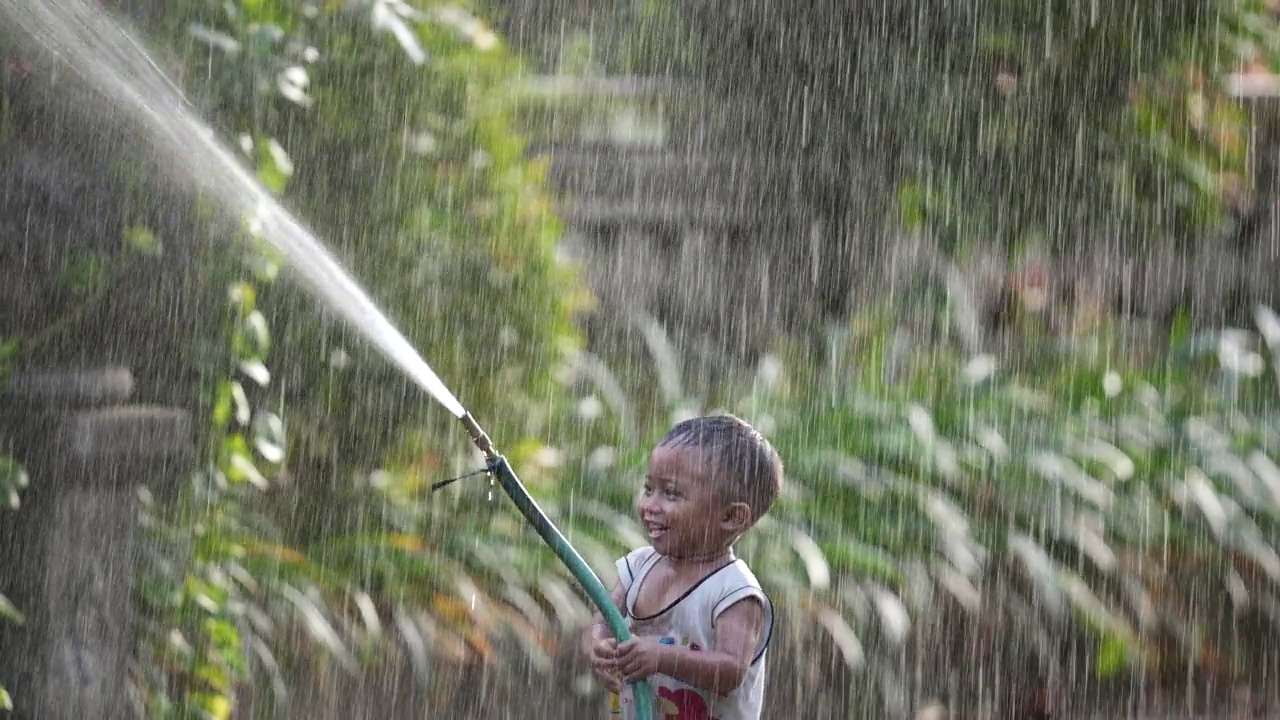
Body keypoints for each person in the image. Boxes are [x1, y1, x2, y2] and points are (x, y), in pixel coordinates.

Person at [583, 414, 782, 720]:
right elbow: (604, 618)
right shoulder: (639, 566)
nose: (650, 505)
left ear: (731, 517)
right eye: (649, 489)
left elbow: (731, 671)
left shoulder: (734, 592)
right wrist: (597, 643)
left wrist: (662, 658)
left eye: (671, 493)